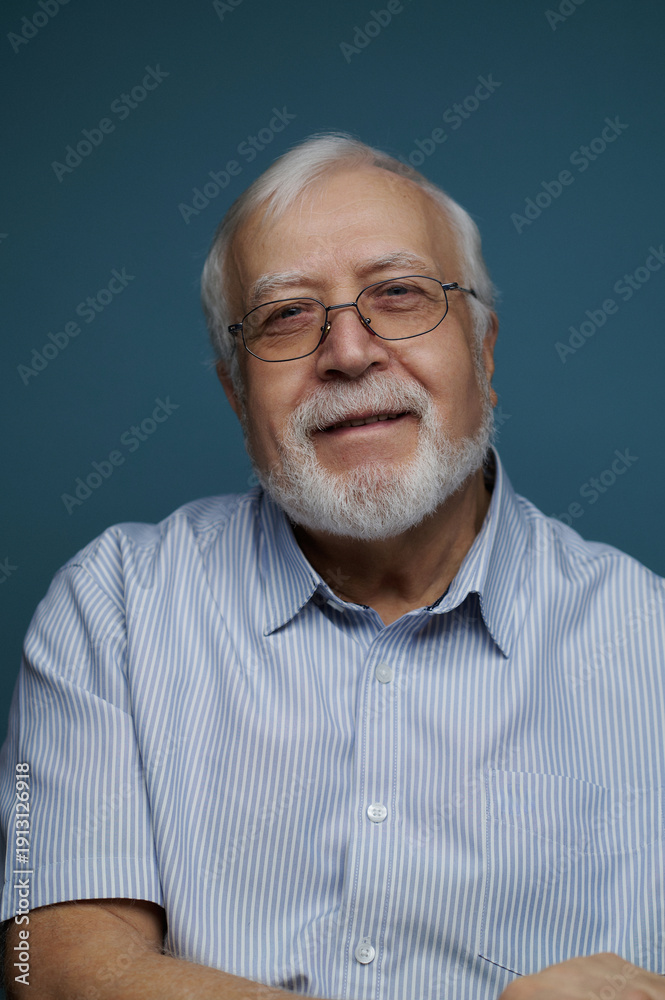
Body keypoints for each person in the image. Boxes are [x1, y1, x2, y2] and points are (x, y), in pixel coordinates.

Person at [1, 133, 664, 1000]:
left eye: (398, 294)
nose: (348, 352)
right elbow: (49, 968)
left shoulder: (649, 642)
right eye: (285, 315)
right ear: (237, 394)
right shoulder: (112, 606)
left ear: (484, 350)